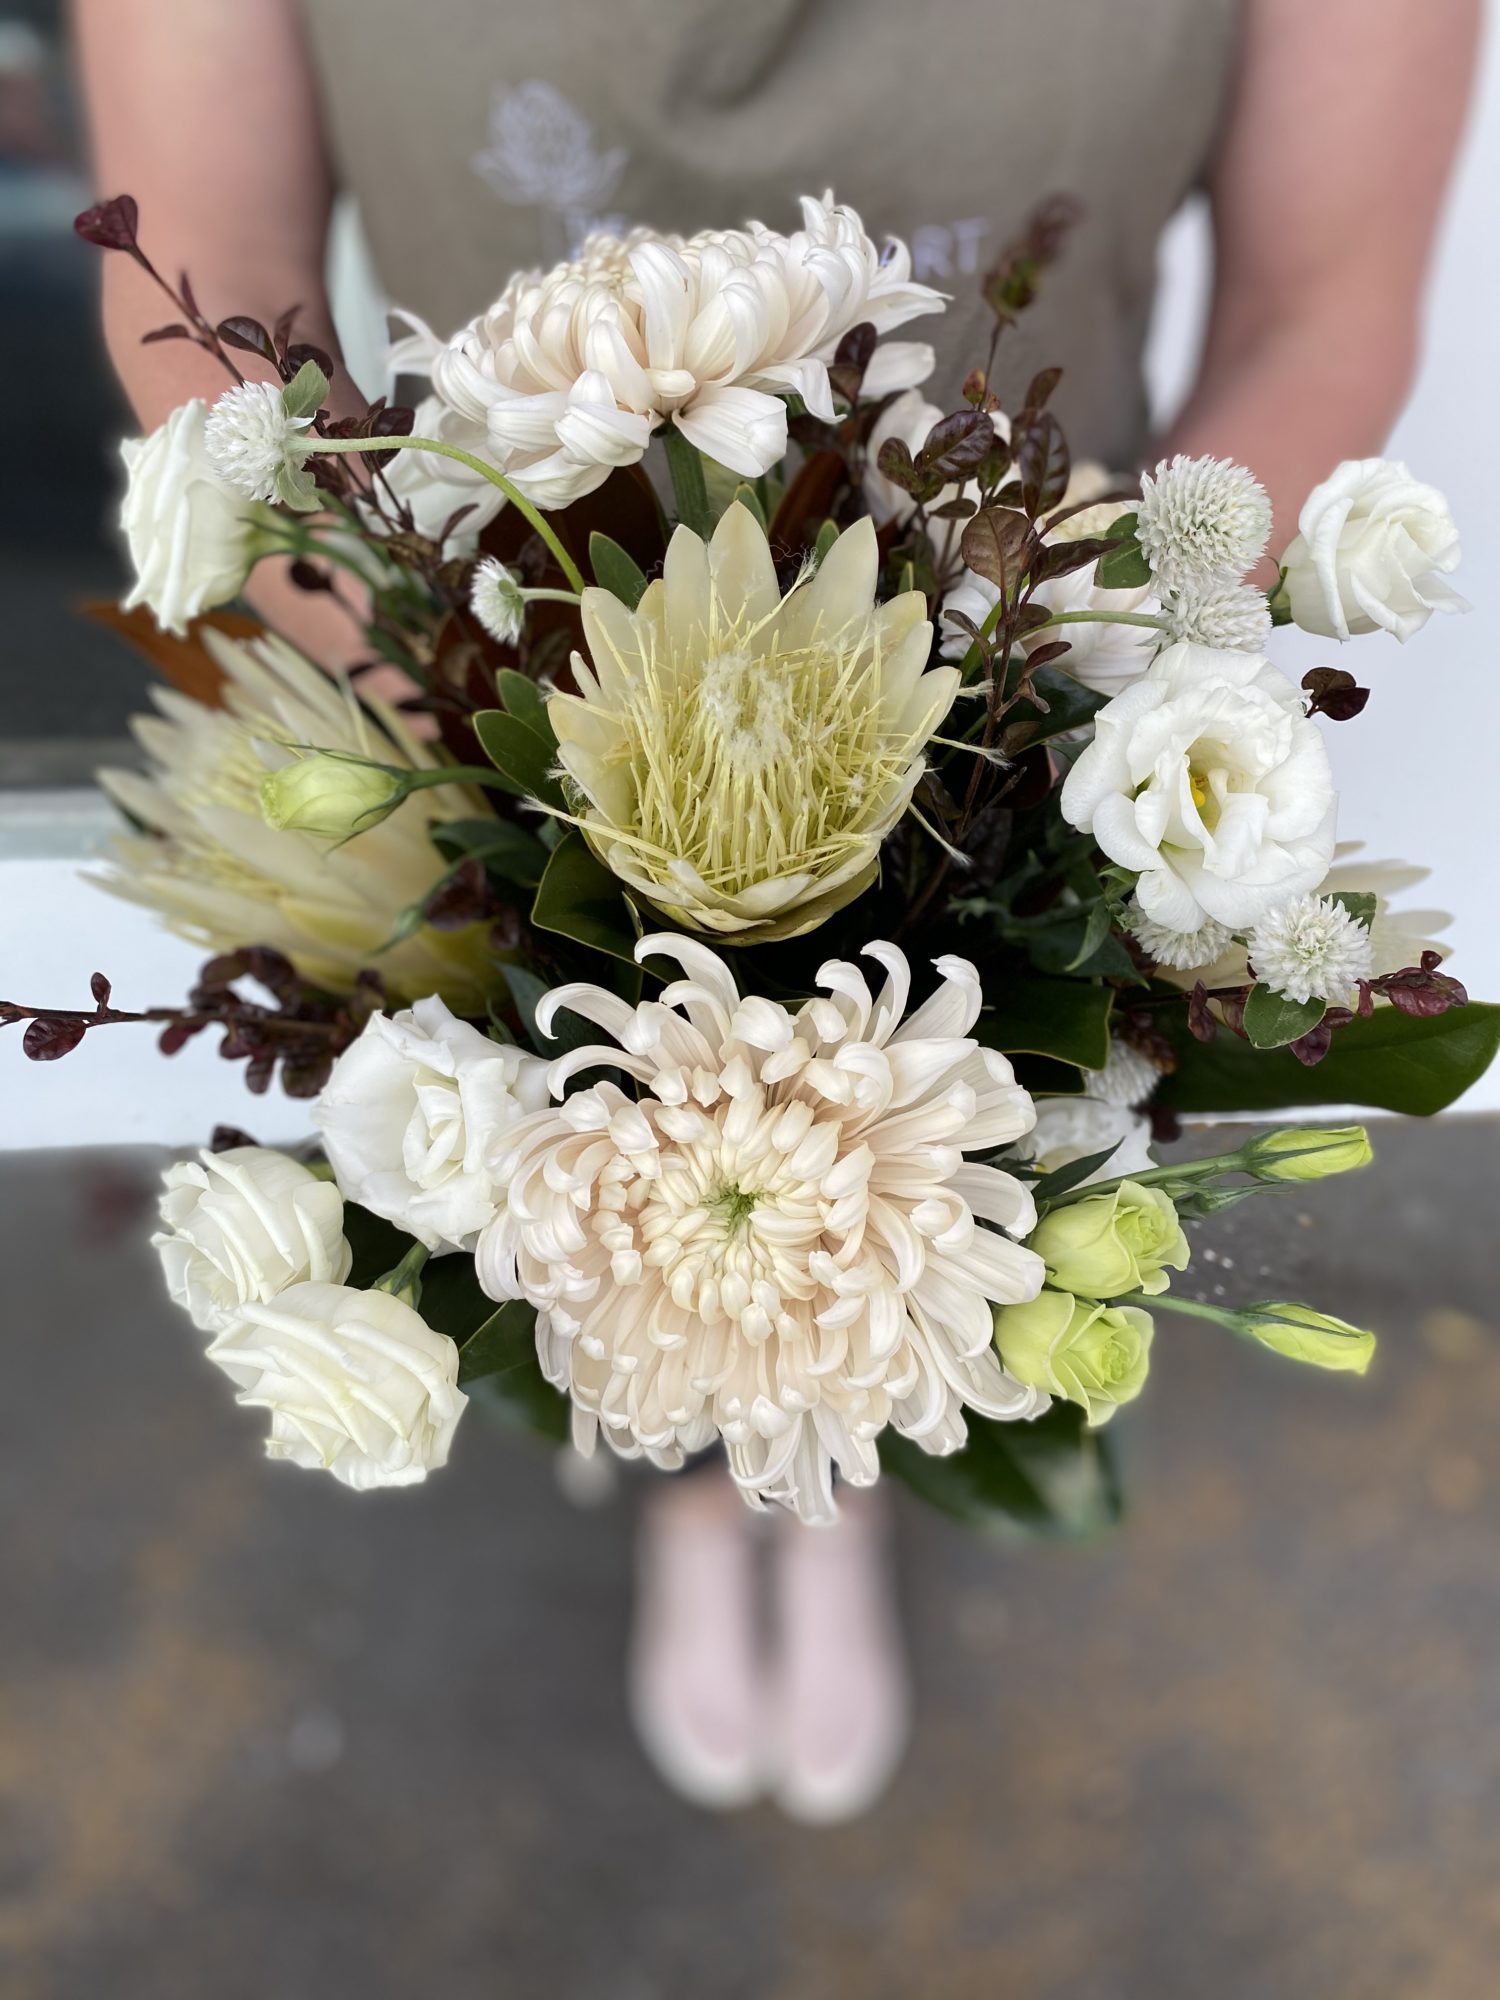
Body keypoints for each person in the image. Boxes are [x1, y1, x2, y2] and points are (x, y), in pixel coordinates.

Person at [73, 0, 1478, 1821]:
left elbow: (1318, 299)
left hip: (1030, 682)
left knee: (887, 1193)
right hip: (501, 676)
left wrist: (1046, 730)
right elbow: (212, 266)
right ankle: (684, 1468)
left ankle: (832, 1482)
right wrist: (478, 723)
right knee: (629, 1199)